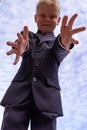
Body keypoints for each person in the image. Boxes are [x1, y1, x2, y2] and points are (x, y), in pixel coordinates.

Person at [0, 0, 86, 130]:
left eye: (52, 16)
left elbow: (59, 48)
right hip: (18, 96)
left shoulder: (59, 41)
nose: (47, 19)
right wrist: (22, 46)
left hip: (48, 100)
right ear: (35, 17)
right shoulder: (28, 36)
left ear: (58, 20)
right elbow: (26, 45)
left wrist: (63, 42)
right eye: (42, 15)